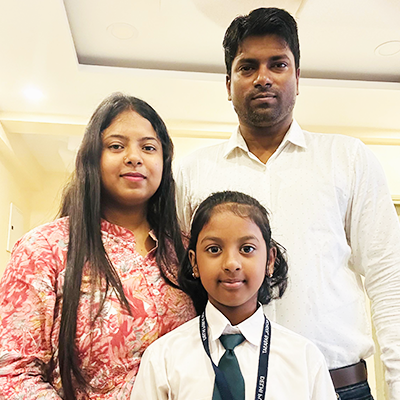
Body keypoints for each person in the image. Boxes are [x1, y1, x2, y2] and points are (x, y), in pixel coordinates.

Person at [175, 7, 400, 400]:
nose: (263, 77)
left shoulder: (348, 159)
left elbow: (389, 278)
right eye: (247, 67)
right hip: (228, 387)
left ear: (297, 77)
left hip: (340, 385)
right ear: (228, 84)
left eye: (277, 64)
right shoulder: (192, 172)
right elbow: (178, 285)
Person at [0, 92, 195, 399]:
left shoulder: (186, 252)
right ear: (92, 158)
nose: (134, 157)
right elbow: (12, 372)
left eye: (148, 147)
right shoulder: (44, 249)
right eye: (116, 146)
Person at [131, 191, 337, 400]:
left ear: (269, 260)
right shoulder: (163, 359)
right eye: (214, 249)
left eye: (247, 249)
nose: (231, 263)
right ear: (194, 262)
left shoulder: (304, 360)